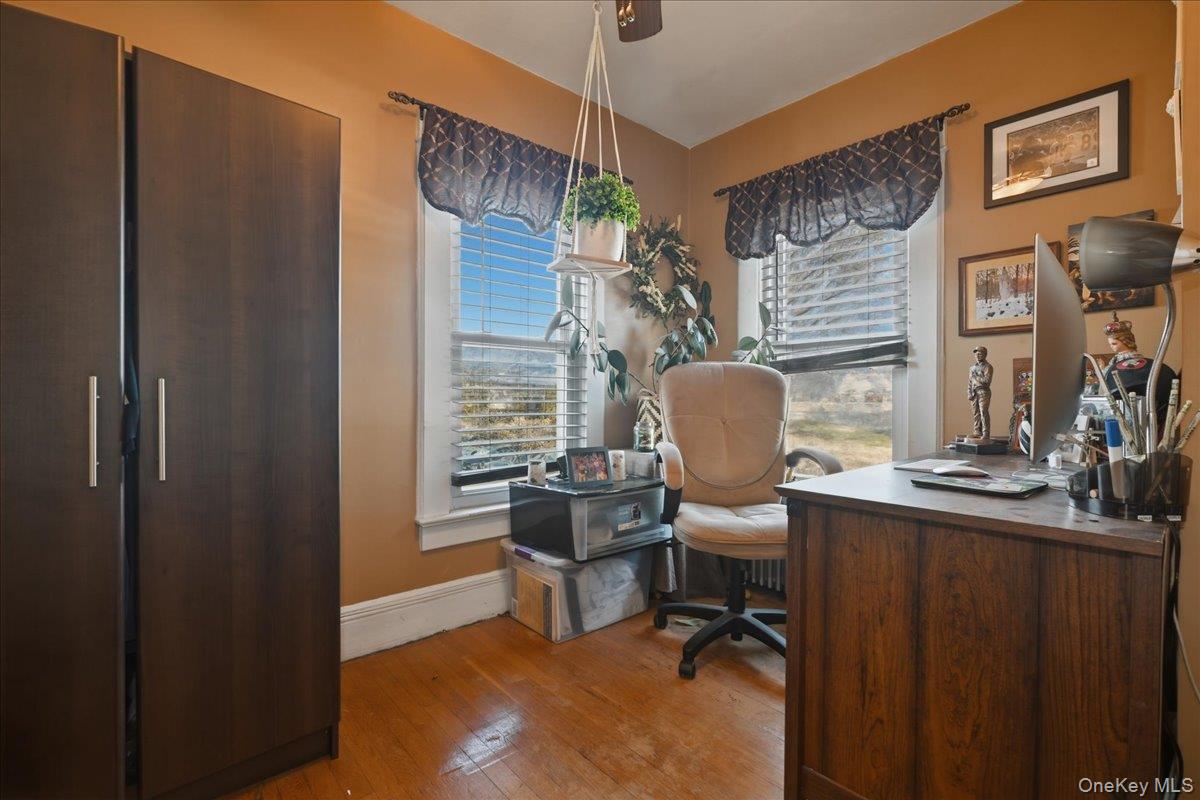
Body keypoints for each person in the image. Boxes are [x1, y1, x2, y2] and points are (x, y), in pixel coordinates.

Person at [967, 345, 994, 442]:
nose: (977, 355)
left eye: (980, 353)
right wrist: (969, 392)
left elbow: (987, 381)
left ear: (985, 355)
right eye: (976, 353)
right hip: (974, 392)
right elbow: (970, 382)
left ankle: (986, 433)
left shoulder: (988, 367)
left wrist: (976, 378)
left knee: (983, 412)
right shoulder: (972, 368)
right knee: (976, 413)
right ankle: (977, 432)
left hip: (983, 391)